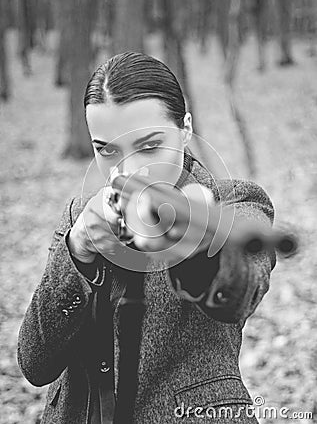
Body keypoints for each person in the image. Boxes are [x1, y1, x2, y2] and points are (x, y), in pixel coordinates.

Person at [17, 52, 276, 424]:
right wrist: (77, 253)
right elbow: (35, 364)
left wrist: (193, 247)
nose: (129, 169)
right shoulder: (80, 216)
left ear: (185, 127)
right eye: (106, 150)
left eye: (149, 145)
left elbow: (240, 292)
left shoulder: (234, 202)